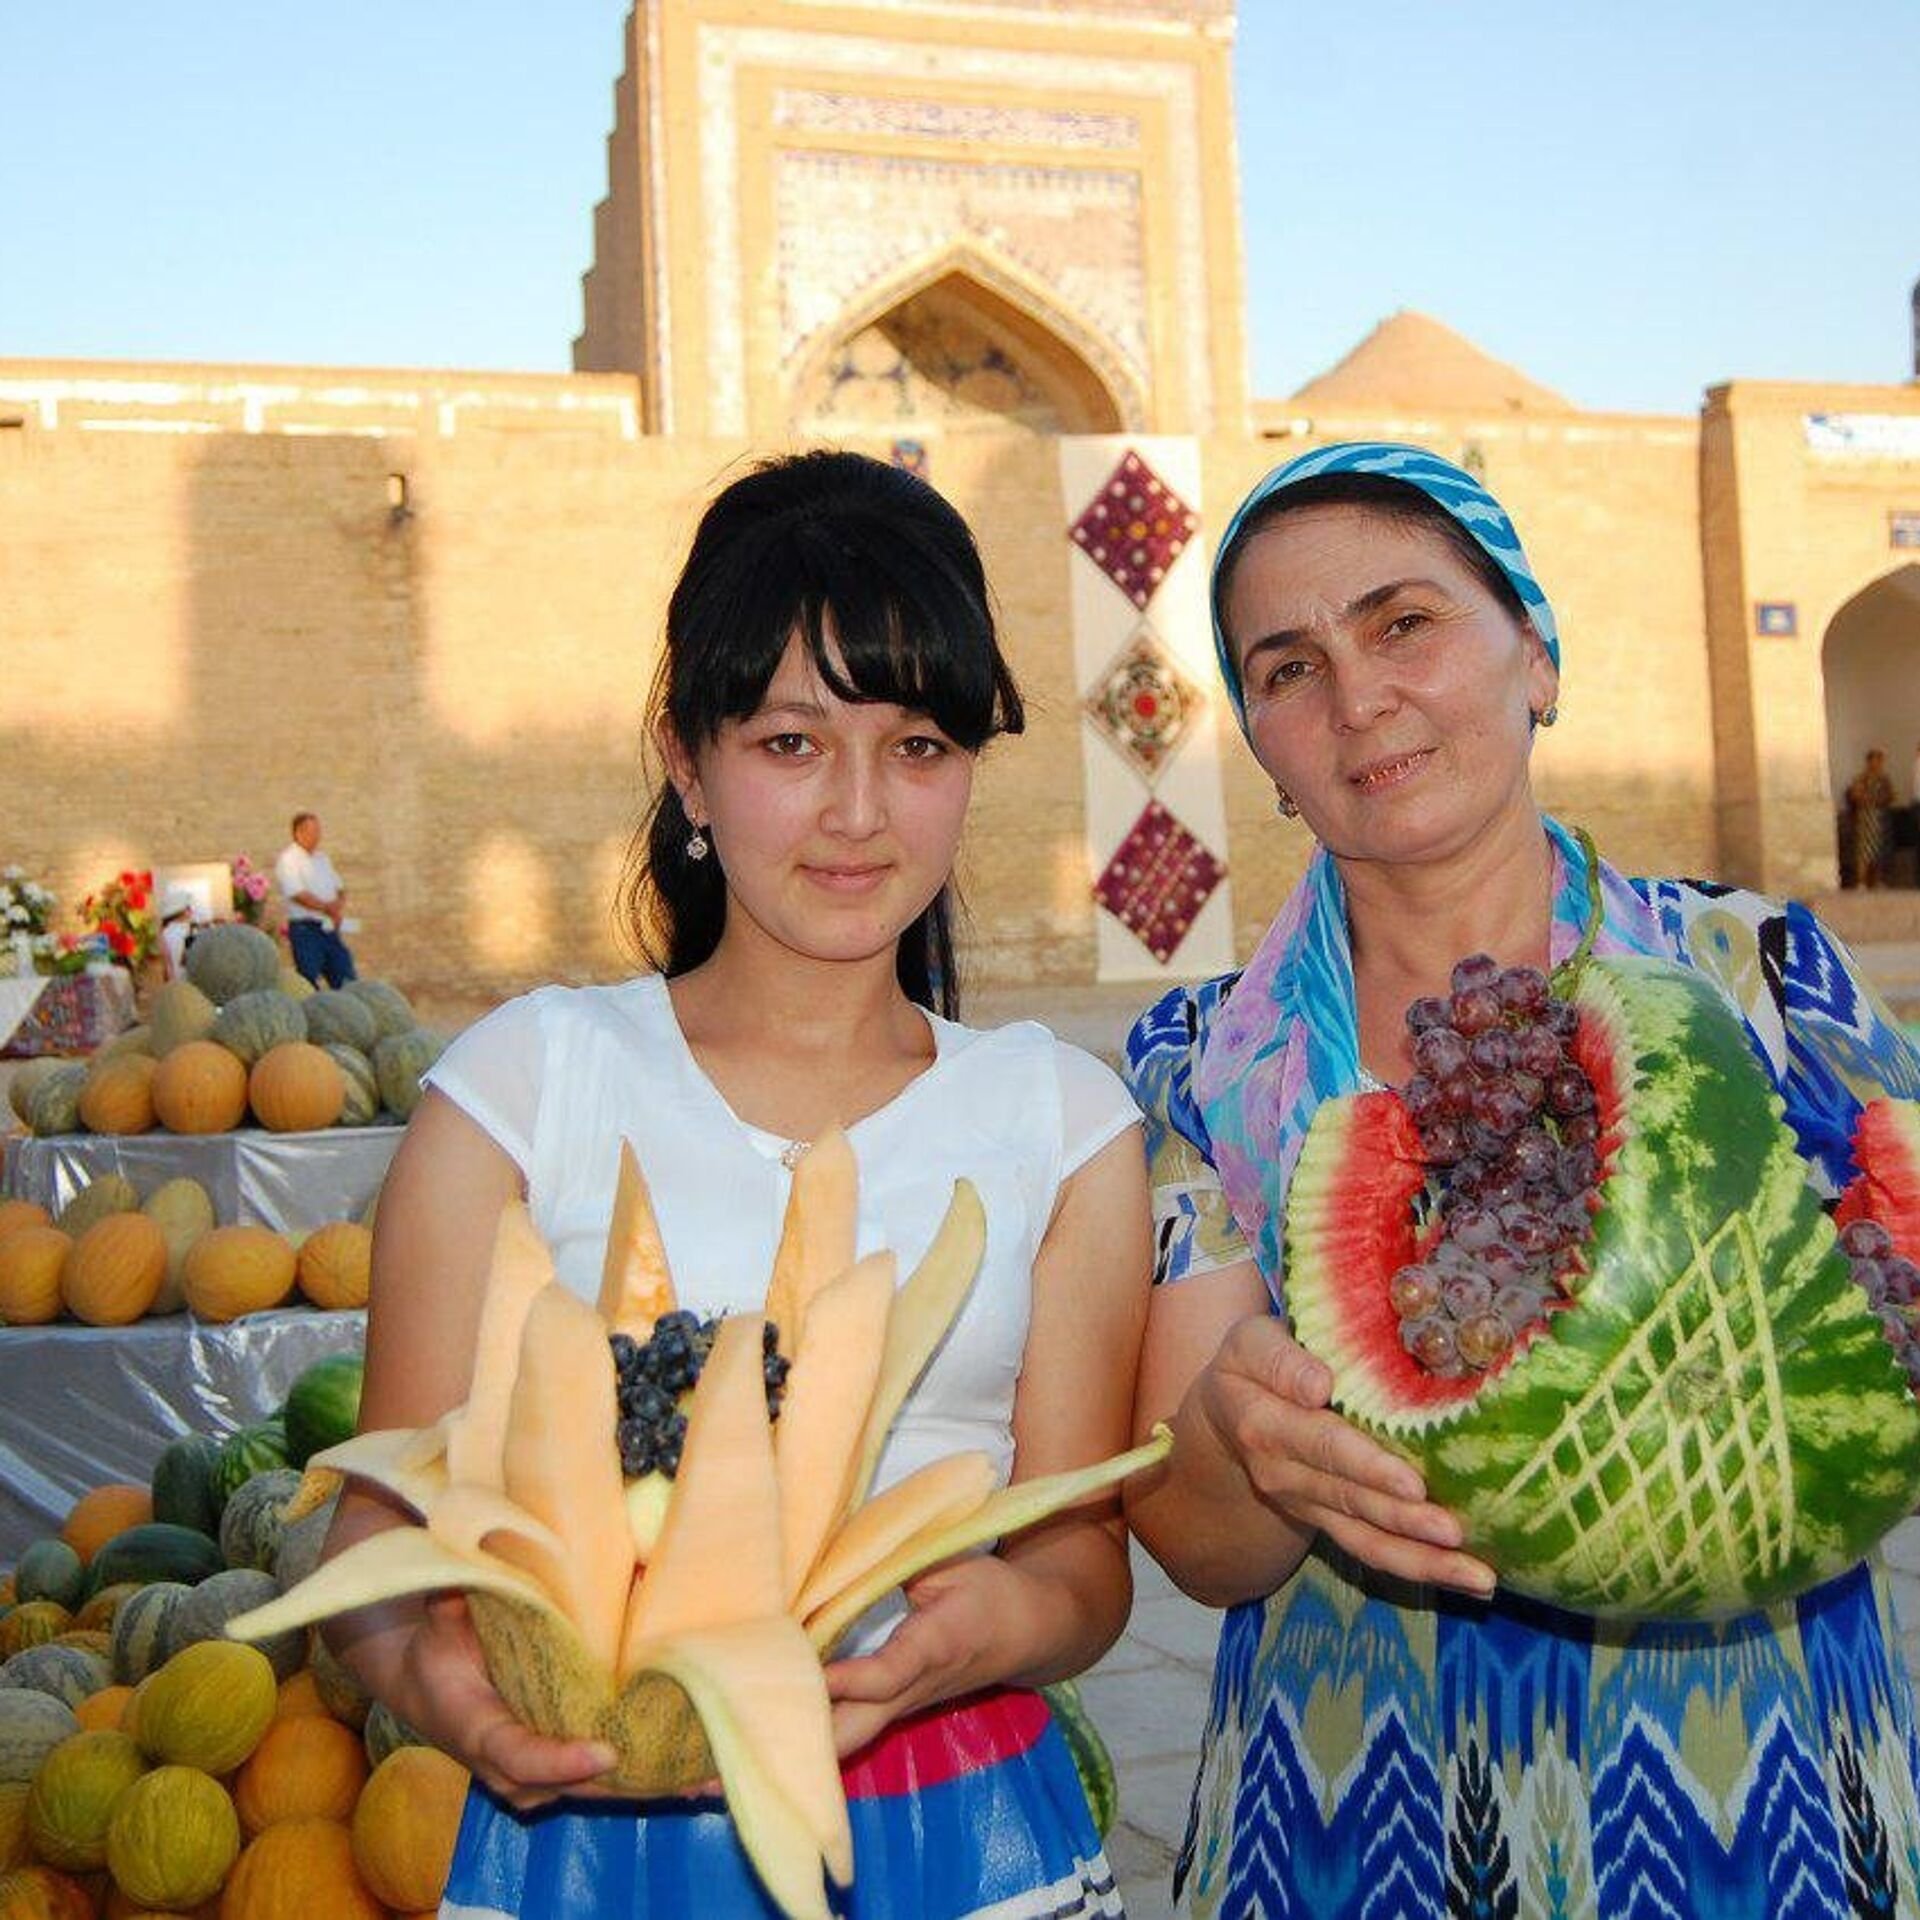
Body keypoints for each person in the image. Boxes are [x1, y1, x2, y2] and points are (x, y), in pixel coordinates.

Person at [322, 450, 1151, 1919]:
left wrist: (1001, 1619)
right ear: (687, 761)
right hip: (593, 1849)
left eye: (917, 747)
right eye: (788, 743)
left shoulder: (1064, 1121)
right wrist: (432, 1675)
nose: (857, 813)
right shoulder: (524, 1092)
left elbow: (1082, 1570)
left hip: (958, 1834)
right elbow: (383, 1535)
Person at [1121, 441, 1920, 1917]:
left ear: (1536, 656)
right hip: (1352, 1824)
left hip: (1760, 1804)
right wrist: (1245, 1432)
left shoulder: (1761, 984)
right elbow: (1210, 1555)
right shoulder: (1195, 1068)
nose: (1359, 700)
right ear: (1265, 750)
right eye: (1287, 670)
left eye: (1404, 623)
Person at [275, 811, 357, 985]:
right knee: (309, 980)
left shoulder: (322, 858)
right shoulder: (289, 859)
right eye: (313, 832)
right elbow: (297, 894)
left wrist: (337, 906)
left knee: (345, 976)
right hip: (306, 930)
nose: (317, 836)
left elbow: (340, 888)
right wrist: (326, 908)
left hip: (328, 927)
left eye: (318, 831)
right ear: (299, 833)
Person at [1844, 748, 1897, 889]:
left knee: (1879, 850)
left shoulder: (1884, 779)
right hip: (1865, 819)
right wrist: (1869, 799)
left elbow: (1891, 796)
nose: (1878, 764)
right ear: (1868, 762)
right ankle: (1861, 882)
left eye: (1880, 761)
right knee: (1863, 852)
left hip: (1880, 819)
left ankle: (1878, 881)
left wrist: (1879, 800)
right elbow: (1855, 795)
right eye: (1875, 760)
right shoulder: (1861, 778)